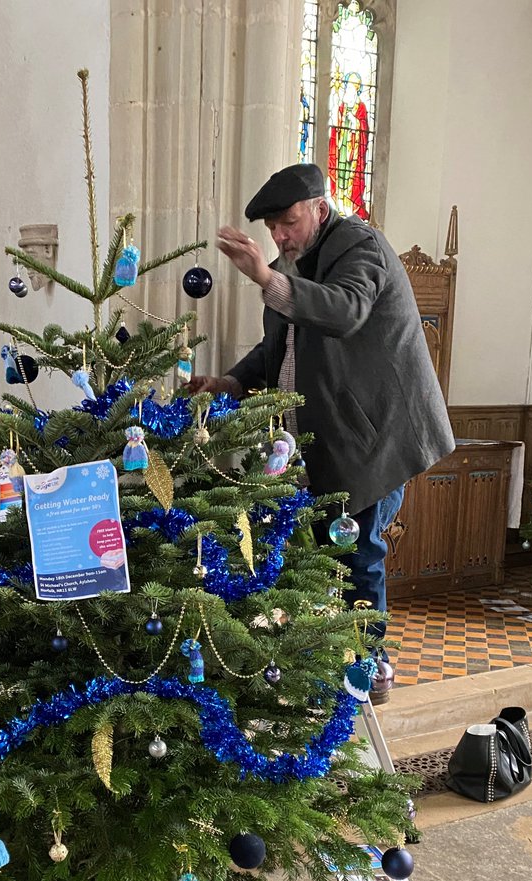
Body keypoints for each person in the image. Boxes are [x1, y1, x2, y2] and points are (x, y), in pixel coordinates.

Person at [188, 162, 454, 702]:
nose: (280, 236)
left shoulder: (360, 247)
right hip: (323, 441)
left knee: (360, 555)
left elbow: (346, 310)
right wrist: (228, 383)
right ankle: (328, 662)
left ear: (319, 207)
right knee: (324, 559)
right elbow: (278, 350)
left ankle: (370, 668)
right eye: (273, 229)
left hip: (374, 437)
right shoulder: (298, 259)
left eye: (288, 222)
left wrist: (265, 277)